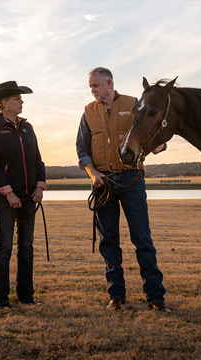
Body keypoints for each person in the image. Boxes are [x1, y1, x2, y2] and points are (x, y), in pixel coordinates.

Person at [75, 67, 171, 312]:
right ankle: (116, 296)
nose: (93, 90)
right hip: (102, 183)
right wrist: (93, 174)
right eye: (91, 87)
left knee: (142, 239)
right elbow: (82, 150)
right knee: (108, 242)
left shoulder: (133, 103)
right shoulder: (88, 112)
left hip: (132, 180)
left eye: (96, 85)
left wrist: (156, 146)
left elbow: (150, 132)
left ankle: (155, 298)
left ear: (109, 83)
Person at [0, 81, 48, 309]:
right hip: (5, 199)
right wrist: (8, 192)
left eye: (21, 99)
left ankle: (26, 296)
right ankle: (0, 299)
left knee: (27, 246)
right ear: (4, 104)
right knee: (5, 247)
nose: (21, 102)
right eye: (17, 99)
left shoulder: (28, 128)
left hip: (30, 197)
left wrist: (40, 186)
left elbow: (38, 160)